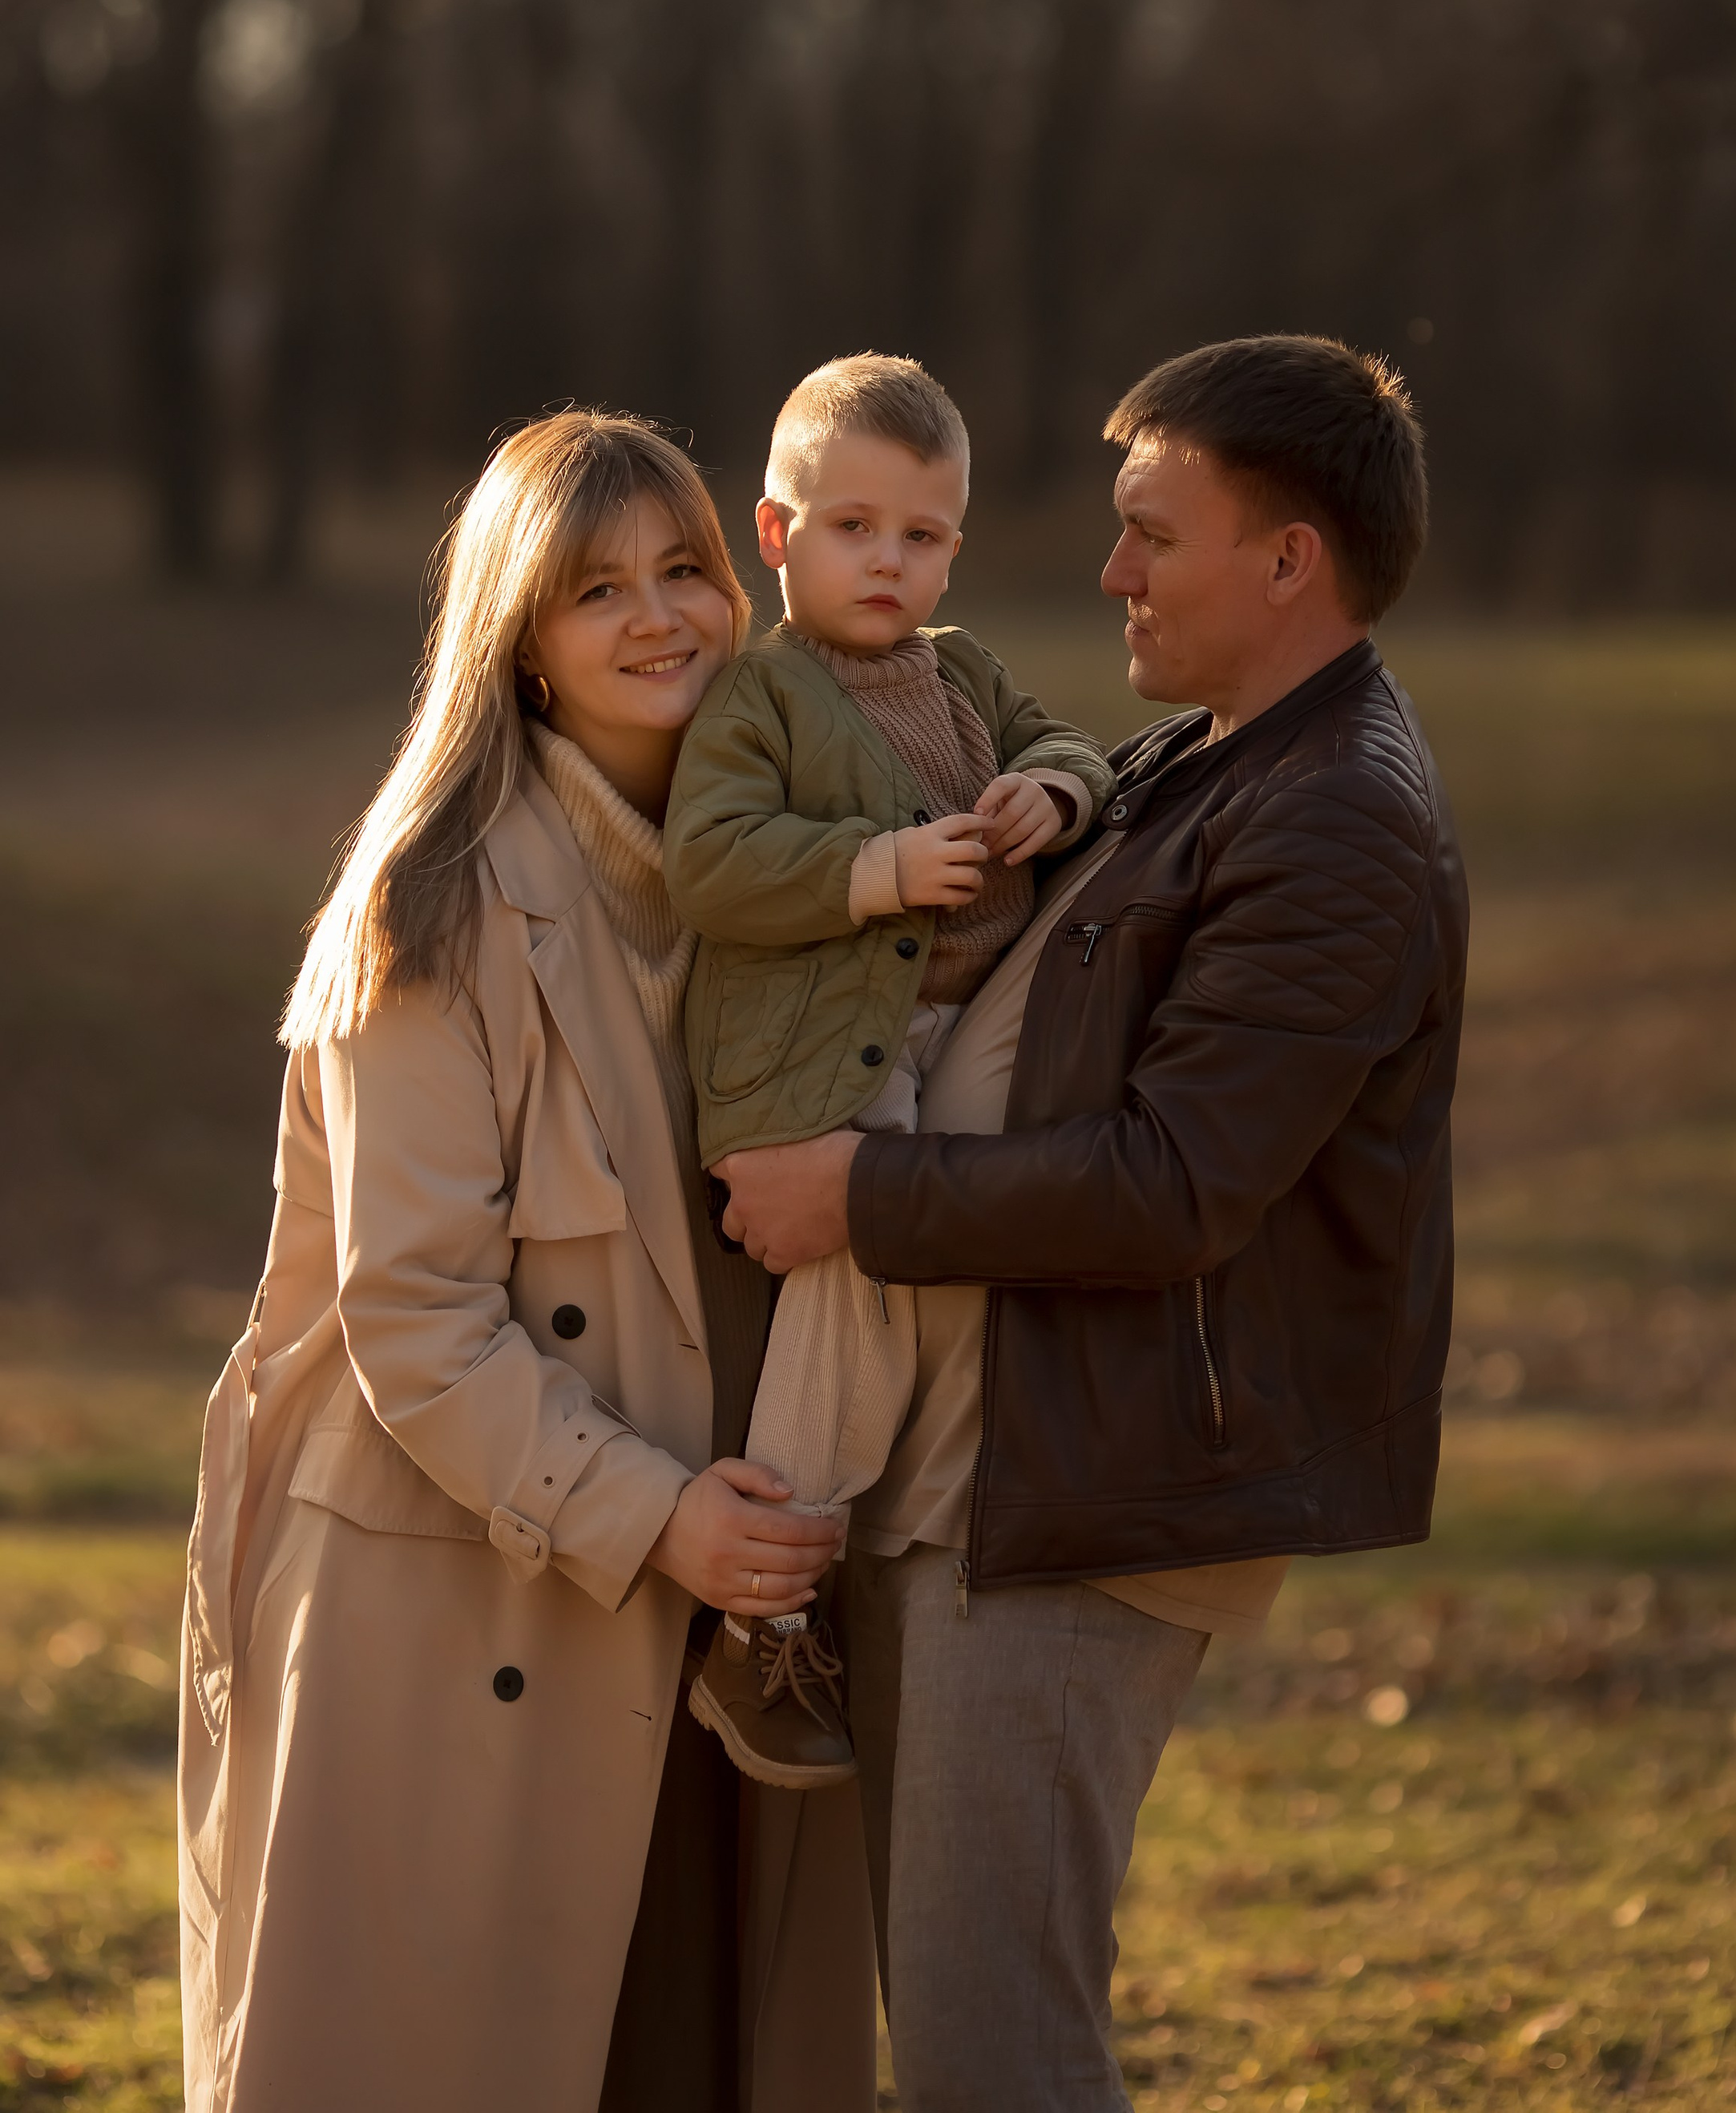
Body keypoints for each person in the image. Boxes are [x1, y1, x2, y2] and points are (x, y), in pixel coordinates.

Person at [716, 334, 1470, 2113]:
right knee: (957, 2025)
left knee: (996, 2052)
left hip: (1088, 1495)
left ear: (1287, 560)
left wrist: (856, 1193)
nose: (1110, 572)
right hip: (988, 1463)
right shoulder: (1196, 761)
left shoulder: (1340, 818)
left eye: (1152, 535)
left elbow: (1173, 1185)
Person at [177, 411, 876, 2113]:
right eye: (593, 592)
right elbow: (411, 1317)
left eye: (685, 571)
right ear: (522, 647)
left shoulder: (783, 872)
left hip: (729, 1602)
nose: (659, 619)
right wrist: (661, 1520)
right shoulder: (431, 900)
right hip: (481, 1599)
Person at [661, 354, 1114, 1786]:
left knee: (934, 1290)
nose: (888, 562)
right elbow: (713, 864)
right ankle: (767, 1609)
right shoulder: (760, 700)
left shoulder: (962, 667)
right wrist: (875, 869)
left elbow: (1068, 740)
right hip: (817, 1058)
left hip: (948, 1038)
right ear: (778, 535)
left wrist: (1054, 790)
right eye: (854, 529)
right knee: (864, 1266)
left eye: (921, 537)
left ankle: (852, 1553)